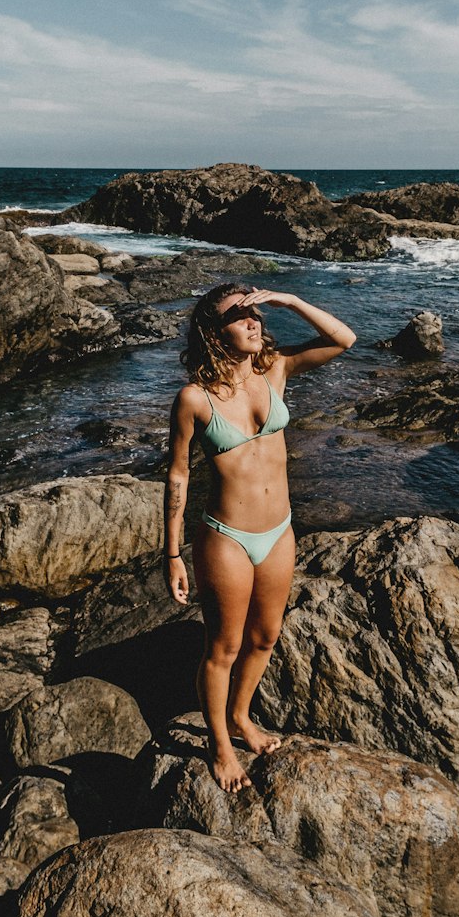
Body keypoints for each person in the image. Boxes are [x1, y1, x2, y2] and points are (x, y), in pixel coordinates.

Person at [164, 284, 356, 792]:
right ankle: (220, 746)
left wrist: (289, 300)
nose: (254, 323)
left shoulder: (276, 369)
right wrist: (172, 554)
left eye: (256, 314)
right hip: (226, 536)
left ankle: (242, 717)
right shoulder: (194, 398)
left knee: (265, 636)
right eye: (240, 316)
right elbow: (178, 475)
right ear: (213, 331)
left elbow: (344, 339)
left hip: (279, 529)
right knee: (223, 646)